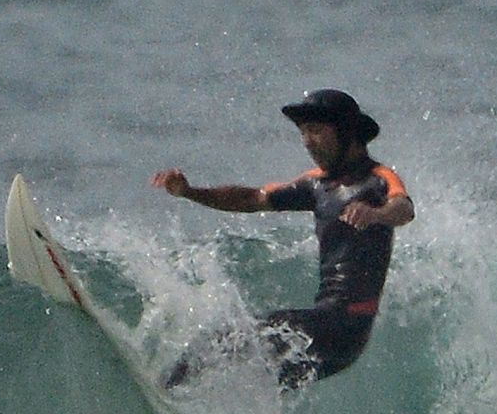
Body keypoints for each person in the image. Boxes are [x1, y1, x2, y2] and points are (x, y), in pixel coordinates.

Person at [150, 89, 415, 388]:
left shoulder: (378, 179)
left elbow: (403, 208)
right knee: (251, 379)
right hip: (327, 332)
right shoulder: (316, 184)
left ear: (347, 132)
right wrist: (190, 192)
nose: (307, 141)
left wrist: (376, 214)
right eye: (303, 132)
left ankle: (164, 390)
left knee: (228, 338)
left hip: (344, 328)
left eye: (315, 131)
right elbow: (254, 198)